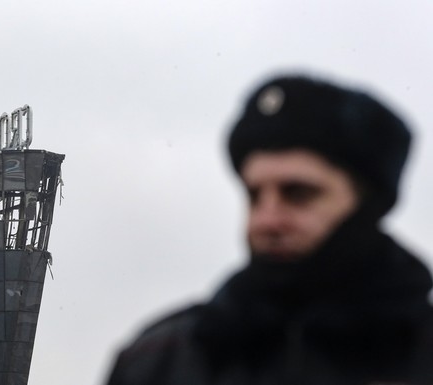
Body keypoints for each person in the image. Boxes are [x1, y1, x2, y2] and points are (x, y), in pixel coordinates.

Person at [105, 75, 433, 385]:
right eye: (254, 196)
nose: (266, 221)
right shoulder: (160, 362)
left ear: (366, 205)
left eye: (299, 194)